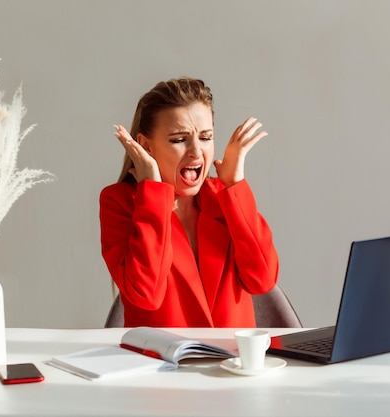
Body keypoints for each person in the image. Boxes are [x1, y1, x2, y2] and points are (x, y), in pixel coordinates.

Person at [99, 77, 278, 327]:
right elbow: (146, 295)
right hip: (160, 363)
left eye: (205, 137)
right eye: (179, 139)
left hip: (232, 363)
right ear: (145, 146)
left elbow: (263, 279)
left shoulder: (223, 197)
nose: (196, 151)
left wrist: (234, 185)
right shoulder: (120, 202)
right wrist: (153, 193)